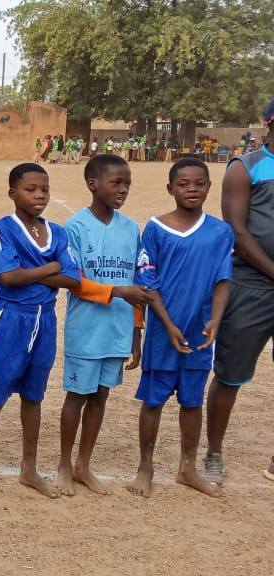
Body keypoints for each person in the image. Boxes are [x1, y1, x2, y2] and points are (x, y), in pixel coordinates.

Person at [0, 163, 80, 499]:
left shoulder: (57, 232)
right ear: (13, 193)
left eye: (44, 189)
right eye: (30, 189)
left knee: (34, 396)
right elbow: (8, 277)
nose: (39, 195)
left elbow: (73, 278)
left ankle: (29, 468)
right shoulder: (2, 230)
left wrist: (30, 271)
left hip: (44, 319)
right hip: (11, 320)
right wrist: (50, 267)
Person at [126, 157, 231, 497]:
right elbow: (148, 282)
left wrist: (216, 318)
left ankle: (188, 467)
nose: (192, 189)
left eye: (199, 183)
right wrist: (168, 325)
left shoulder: (220, 232)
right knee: (153, 401)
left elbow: (223, 280)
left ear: (209, 187)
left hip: (199, 335)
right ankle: (145, 467)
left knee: (192, 402)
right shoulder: (156, 229)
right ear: (170, 188)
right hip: (163, 333)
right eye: (183, 184)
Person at [56, 154, 149, 496]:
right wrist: (118, 291)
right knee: (77, 396)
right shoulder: (75, 227)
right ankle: (64, 465)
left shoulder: (131, 228)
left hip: (118, 330)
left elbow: (138, 283)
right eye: (116, 183)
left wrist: (136, 333)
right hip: (86, 329)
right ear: (93, 185)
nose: (123, 189)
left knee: (101, 396)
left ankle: (83, 464)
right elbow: (74, 280)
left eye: (128, 184)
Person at [208, 97, 274, 485]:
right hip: (251, 285)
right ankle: (214, 453)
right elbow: (238, 231)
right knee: (230, 374)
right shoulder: (246, 167)